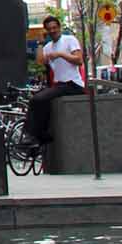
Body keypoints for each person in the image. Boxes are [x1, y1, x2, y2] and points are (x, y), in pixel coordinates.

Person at [26, 15, 86, 146]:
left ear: (59, 27)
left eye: (54, 28)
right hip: (59, 85)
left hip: (73, 84)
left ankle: (35, 135)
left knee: (37, 99)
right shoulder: (48, 47)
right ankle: (42, 134)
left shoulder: (70, 40)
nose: (52, 31)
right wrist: (41, 42)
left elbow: (79, 60)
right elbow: (40, 61)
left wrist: (60, 54)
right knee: (39, 100)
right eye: (49, 29)